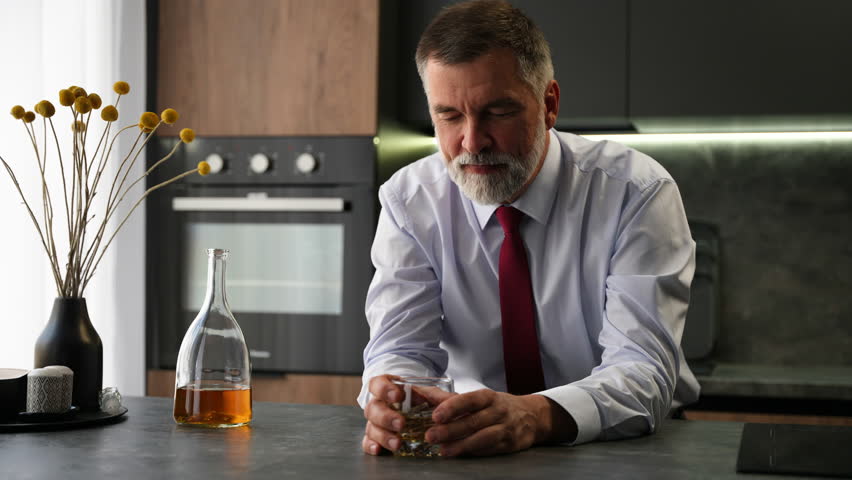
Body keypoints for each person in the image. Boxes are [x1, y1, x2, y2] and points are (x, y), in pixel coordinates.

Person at [359, 0, 699, 457]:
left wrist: (534, 415)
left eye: (497, 112)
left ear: (549, 104)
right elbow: (400, 351)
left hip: (624, 447)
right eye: (449, 116)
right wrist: (394, 399)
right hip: (472, 443)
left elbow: (643, 373)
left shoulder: (635, 192)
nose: (473, 141)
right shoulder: (409, 200)